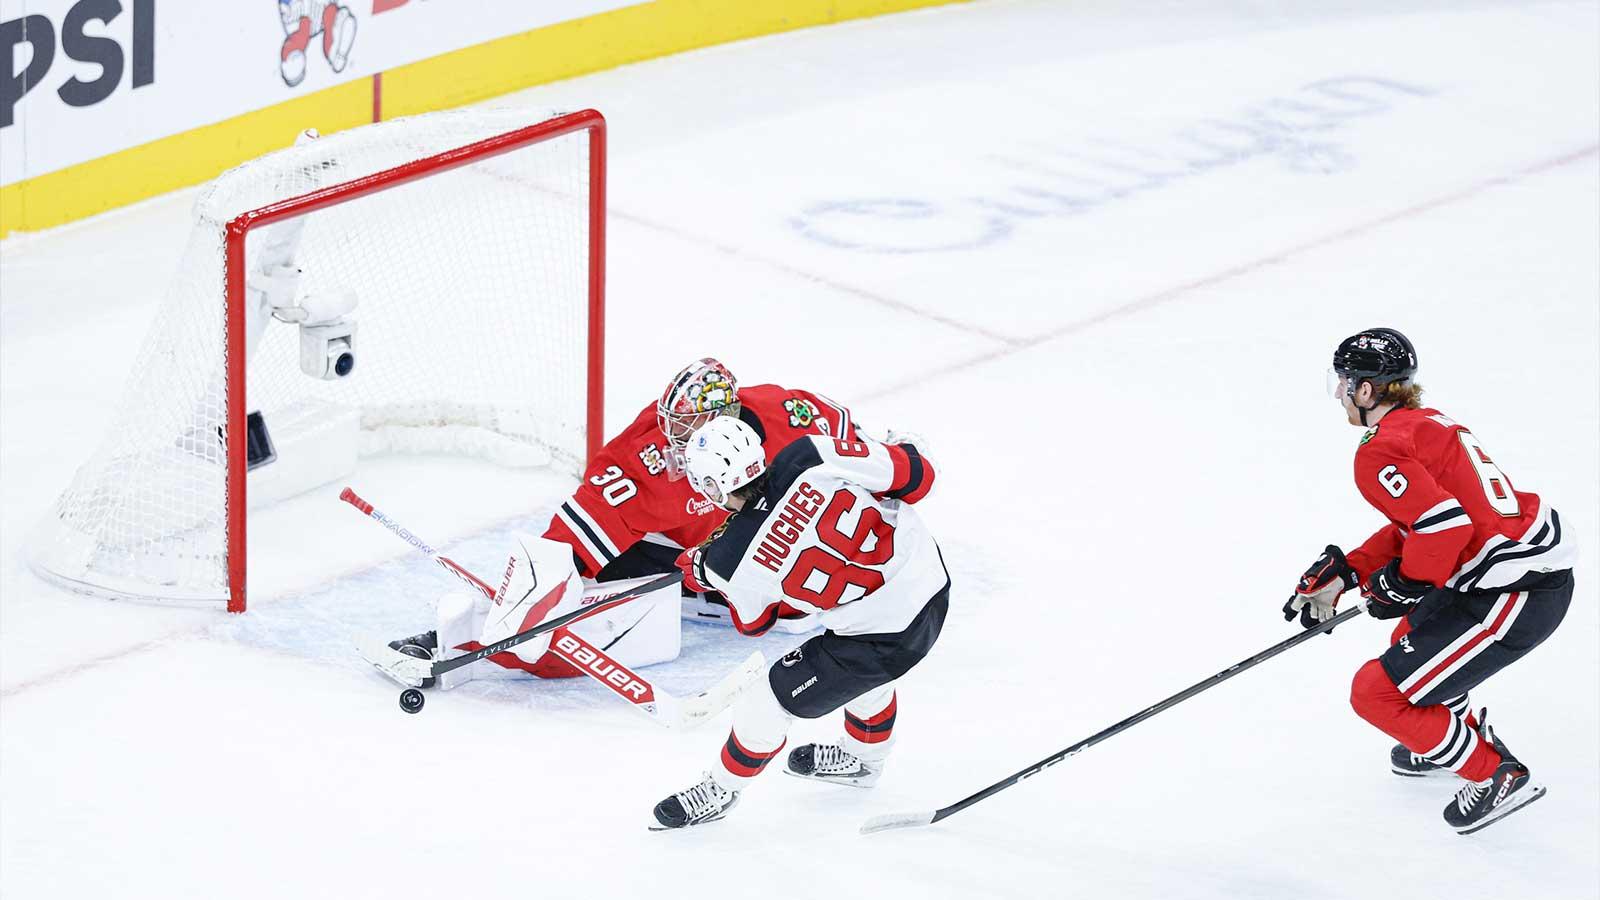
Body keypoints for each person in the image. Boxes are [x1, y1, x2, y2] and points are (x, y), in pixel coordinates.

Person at [381, 358, 861, 684]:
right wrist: (528, 607)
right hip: (680, 552)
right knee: (571, 594)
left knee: (794, 597)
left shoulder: (786, 415)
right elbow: (563, 549)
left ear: (728, 416)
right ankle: (460, 641)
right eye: (670, 421)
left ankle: (727, 586)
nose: (673, 438)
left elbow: (851, 438)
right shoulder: (644, 463)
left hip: (763, 551)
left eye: (688, 427)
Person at [1284, 328, 1575, 834]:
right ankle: (1451, 742)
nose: (1340, 395)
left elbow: (1441, 527)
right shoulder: (1424, 423)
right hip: (1514, 575)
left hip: (1515, 593)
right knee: (1408, 640)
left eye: (1344, 383)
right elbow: (1428, 519)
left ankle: (1496, 774)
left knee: (1375, 692)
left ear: (1367, 390)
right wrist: (1352, 571)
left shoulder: (1378, 450)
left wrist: (1401, 583)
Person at [650, 417, 946, 829]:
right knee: (856, 668)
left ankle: (721, 788)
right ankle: (864, 759)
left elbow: (755, 622)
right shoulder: (808, 455)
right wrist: (905, 450)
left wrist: (705, 572)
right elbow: (918, 477)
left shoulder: (727, 561)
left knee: (763, 702)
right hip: (930, 578)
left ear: (711, 487)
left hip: (884, 639)